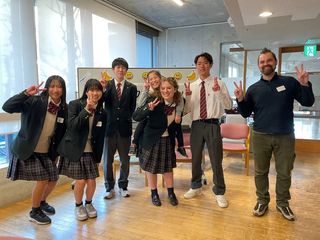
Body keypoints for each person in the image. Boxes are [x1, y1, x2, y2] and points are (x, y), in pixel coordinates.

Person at [234, 48, 315, 221]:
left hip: (285, 135)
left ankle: (282, 203)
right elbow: (246, 113)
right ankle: (262, 200)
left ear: (275, 62)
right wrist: (241, 99)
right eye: (262, 62)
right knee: (260, 172)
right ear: (258, 66)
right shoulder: (253, 89)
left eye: (268, 60)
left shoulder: (290, 82)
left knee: (284, 172)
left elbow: (308, 102)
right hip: (260, 135)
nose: (266, 64)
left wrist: (304, 85)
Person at [3, 75, 68, 225]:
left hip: (46, 151)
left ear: (63, 90)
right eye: (52, 86)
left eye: (59, 86)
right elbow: (7, 107)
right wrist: (25, 93)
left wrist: (56, 154)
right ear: (47, 88)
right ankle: (34, 211)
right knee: (43, 179)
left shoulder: (64, 108)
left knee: (53, 178)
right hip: (28, 149)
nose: (55, 90)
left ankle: (42, 201)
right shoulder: (34, 101)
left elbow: (60, 133)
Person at [183, 52, 232, 208]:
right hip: (196, 125)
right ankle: (196, 186)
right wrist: (188, 97)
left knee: (216, 159)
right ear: (196, 66)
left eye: (205, 63)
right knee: (195, 158)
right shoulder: (192, 86)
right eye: (199, 63)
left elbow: (229, 105)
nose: (202, 66)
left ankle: (219, 192)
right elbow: (187, 110)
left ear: (210, 65)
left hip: (212, 124)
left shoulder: (219, 83)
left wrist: (217, 91)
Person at [58, 79, 106, 221]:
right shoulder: (75, 105)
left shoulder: (103, 112)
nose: (95, 93)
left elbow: (101, 136)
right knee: (80, 181)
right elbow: (72, 126)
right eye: (91, 90)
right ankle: (78, 206)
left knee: (91, 180)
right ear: (86, 92)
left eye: (98, 90)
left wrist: (98, 158)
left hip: (91, 150)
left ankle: (89, 203)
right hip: (76, 148)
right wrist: (86, 110)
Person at [133, 77, 181, 206]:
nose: (166, 91)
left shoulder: (179, 104)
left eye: (169, 88)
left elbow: (177, 125)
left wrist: (179, 142)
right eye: (163, 88)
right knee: (151, 168)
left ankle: (171, 193)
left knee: (168, 169)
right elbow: (136, 116)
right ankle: (154, 193)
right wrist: (149, 109)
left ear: (175, 89)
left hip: (167, 140)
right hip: (151, 140)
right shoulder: (154, 101)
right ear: (160, 90)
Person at [100, 58, 137, 199]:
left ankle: (123, 186)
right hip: (108, 129)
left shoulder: (131, 87)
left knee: (125, 160)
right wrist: (103, 89)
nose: (121, 70)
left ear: (126, 70)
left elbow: (132, 108)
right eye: (118, 67)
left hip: (124, 129)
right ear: (113, 70)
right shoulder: (106, 86)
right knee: (107, 161)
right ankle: (109, 188)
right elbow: (102, 103)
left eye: (123, 67)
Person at [132, 70, 187, 157]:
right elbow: (140, 105)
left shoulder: (169, 86)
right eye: (150, 79)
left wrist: (178, 114)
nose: (153, 80)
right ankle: (134, 143)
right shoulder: (150, 92)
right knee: (143, 122)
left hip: (168, 123)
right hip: (151, 121)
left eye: (155, 77)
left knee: (177, 124)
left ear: (160, 78)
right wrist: (145, 90)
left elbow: (180, 99)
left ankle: (181, 146)